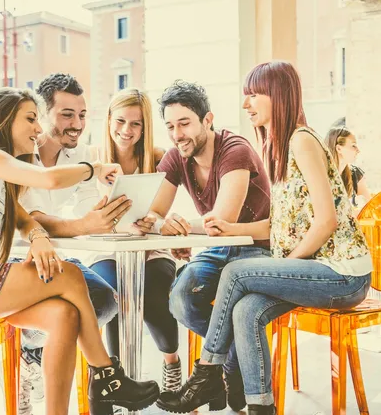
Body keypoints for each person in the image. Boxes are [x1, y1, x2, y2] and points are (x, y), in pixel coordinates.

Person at [0, 87, 159, 415]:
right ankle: (107, 376)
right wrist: (94, 169)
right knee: (67, 275)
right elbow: (49, 180)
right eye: (30, 119)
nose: (38, 129)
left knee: (65, 315)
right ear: (2, 119)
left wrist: (38, 235)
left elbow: (23, 218)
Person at [156, 61, 372, 415]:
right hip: (316, 270)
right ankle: (260, 407)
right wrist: (233, 230)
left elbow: (327, 221)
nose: (246, 104)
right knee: (245, 310)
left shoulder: (301, 140)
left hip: (344, 274)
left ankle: (206, 373)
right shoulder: (279, 145)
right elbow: (278, 226)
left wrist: (280, 266)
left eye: (254, 94)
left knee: (236, 273)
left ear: (279, 95)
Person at [6, 73, 127, 414]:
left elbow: (89, 208)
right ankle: (39, 357)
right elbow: (31, 219)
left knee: (105, 299)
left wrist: (114, 211)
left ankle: (32, 352)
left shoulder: (84, 155)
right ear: (41, 116)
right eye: (66, 115)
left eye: (82, 114)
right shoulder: (18, 155)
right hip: (16, 260)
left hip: (53, 258)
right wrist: (82, 225)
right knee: (75, 306)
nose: (77, 124)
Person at [148, 80, 272, 412]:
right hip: (218, 251)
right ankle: (228, 369)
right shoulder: (177, 157)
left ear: (207, 119)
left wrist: (179, 227)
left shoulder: (235, 149)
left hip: (257, 248)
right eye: (171, 126)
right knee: (181, 297)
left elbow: (222, 221)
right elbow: (152, 213)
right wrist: (163, 224)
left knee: (228, 303)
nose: (177, 134)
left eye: (184, 123)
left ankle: (217, 375)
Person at [86, 87, 182, 393]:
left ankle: (171, 361)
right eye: (121, 121)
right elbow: (80, 209)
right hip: (107, 250)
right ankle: (118, 378)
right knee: (112, 295)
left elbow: (161, 211)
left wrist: (154, 220)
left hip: (150, 249)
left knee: (153, 298)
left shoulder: (159, 159)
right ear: (109, 120)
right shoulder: (91, 160)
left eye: (136, 124)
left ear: (145, 127)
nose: (126, 130)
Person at [325, 126, 372, 207]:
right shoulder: (322, 176)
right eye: (353, 146)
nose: (358, 150)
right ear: (339, 148)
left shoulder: (355, 174)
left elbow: (370, 206)